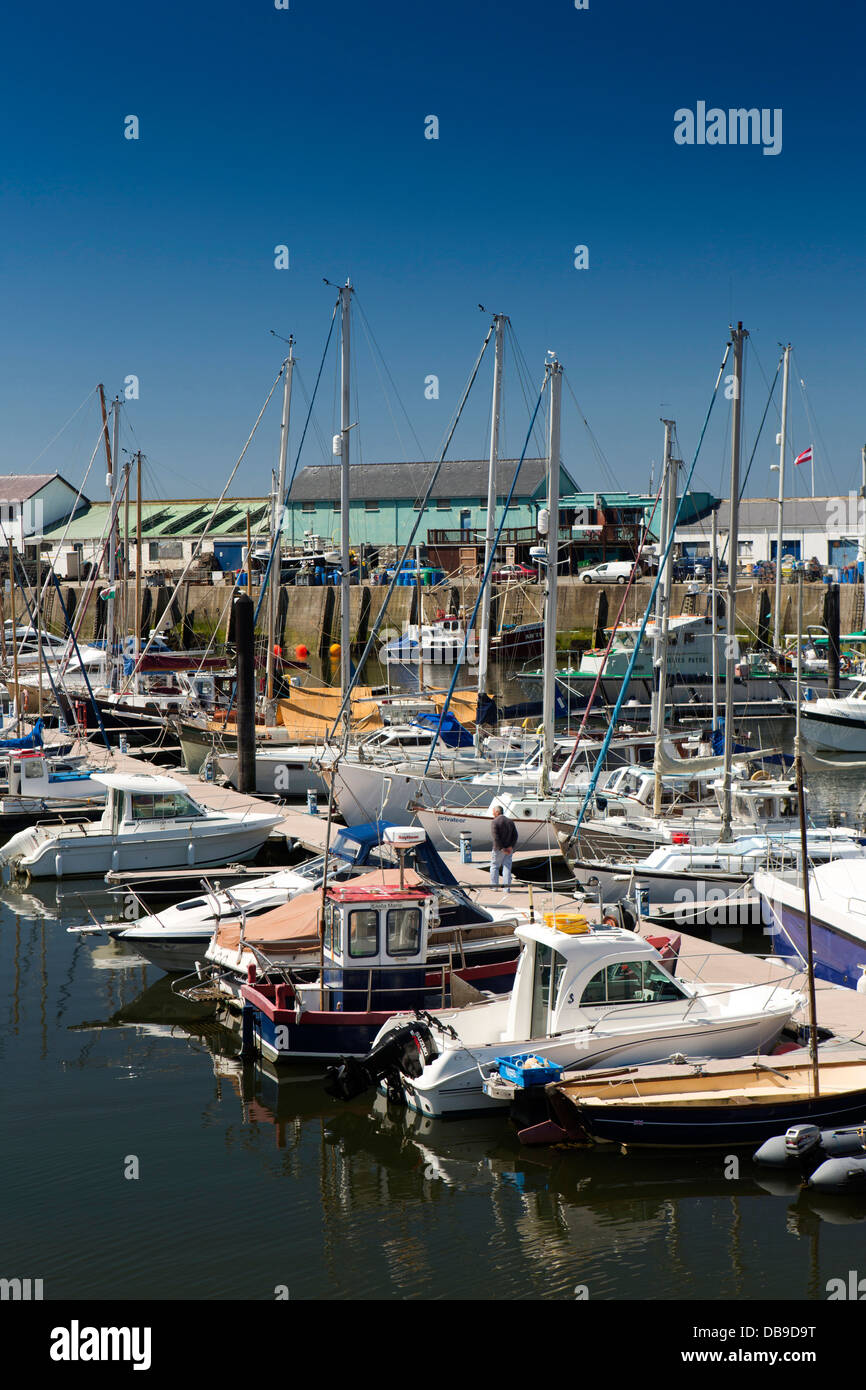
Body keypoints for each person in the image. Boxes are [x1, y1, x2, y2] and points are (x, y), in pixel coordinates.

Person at [490, 803, 518, 891]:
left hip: (498, 849)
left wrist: (502, 849)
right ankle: (506, 889)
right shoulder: (510, 821)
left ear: (497, 812)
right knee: (507, 867)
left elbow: (496, 837)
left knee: (495, 866)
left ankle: (494, 887)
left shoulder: (494, 822)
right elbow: (515, 836)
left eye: (493, 812)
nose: (493, 814)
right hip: (509, 849)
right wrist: (510, 847)